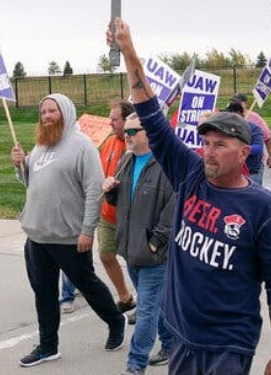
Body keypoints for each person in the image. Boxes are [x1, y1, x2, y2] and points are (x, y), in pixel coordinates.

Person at [111, 18, 271, 375]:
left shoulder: (263, 208)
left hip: (227, 342)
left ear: (244, 154)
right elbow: (150, 112)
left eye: (220, 145)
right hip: (182, 336)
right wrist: (130, 51)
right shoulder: (190, 174)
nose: (209, 151)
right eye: (206, 143)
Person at [11, 94, 126, 367]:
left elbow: (94, 190)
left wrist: (88, 230)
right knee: (44, 292)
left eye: (52, 111)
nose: (46, 116)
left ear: (65, 112)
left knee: (87, 284)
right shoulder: (41, 145)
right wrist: (20, 166)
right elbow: (31, 183)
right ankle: (48, 346)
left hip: (69, 237)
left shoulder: (82, 146)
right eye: (43, 112)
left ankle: (115, 320)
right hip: (37, 234)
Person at [104, 113, 175, 374]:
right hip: (132, 248)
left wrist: (157, 242)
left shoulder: (167, 164)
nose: (127, 135)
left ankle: (136, 364)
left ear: (149, 133)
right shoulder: (126, 160)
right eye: (127, 131)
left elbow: (175, 207)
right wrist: (111, 191)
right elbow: (120, 203)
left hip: (154, 253)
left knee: (145, 309)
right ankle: (169, 345)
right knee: (154, 304)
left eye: (133, 131)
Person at [98, 100, 137, 315]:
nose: (110, 123)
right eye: (110, 118)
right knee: (105, 254)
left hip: (129, 216)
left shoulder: (137, 146)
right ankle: (125, 297)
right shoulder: (110, 143)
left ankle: (146, 301)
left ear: (127, 120)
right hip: (107, 213)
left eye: (115, 119)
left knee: (135, 262)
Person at [231, 93, 271, 183]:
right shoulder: (230, 119)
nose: (236, 103)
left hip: (253, 166)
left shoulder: (255, 119)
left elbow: (268, 138)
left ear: (245, 104)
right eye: (233, 101)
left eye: (238, 102)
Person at [225, 101, 267, 185]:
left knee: (252, 197)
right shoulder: (225, 129)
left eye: (229, 113)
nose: (227, 116)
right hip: (232, 172)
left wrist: (239, 150)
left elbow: (258, 148)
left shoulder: (254, 129)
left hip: (251, 172)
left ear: (238, 113)